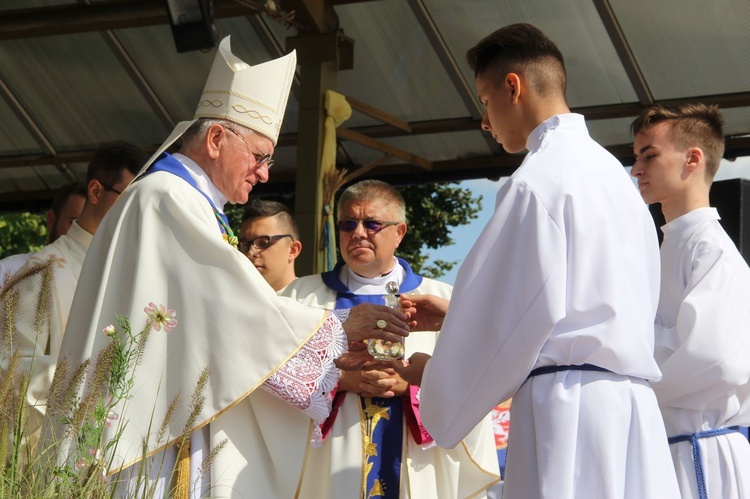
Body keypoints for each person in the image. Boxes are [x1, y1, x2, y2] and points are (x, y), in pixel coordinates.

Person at [44, 37, 405, 498]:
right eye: (259, 155)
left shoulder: (184, 201)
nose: (265, 173)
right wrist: (338, 328)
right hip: (150, 438)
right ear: (216, 139)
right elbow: (232, 309)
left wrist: (330, 351)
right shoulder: (167, 197)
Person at [392, 23, 680, 498]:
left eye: (485, 102)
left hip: (569, 413)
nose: (485, 121)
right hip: (632, 410)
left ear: (513, 87)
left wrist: (435, 374)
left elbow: (506, 317)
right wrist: (453, 318)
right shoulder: (613, 176)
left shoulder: (537, 181)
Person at [282, 179, 500, 498]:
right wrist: (337, 379)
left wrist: (414, 388)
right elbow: (265, 374)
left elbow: (478, 386)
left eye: (371, 224)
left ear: (399, 232)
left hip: (416, 464)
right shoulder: (300, 298)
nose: (358, 233)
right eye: (347, 224)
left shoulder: (443, 300)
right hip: (327, 467)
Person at [631, 103, 750, 498]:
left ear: (693, 158)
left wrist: (626, 374)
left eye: (649, 155)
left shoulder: (712, 249)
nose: (636, 170)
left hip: (701, 451)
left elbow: (717, 360)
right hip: (668, 447)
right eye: (635, 159)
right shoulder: (662, 248)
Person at [10, 141, 144, 439]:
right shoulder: (44, 270)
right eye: (127, 197)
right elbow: (12, 365)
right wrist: (87, 382)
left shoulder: (138, 268)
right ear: (95, 191)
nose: (135, 211)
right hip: (61, 444)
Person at [0, 181, 85, 282]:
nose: (82, 232)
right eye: (74, 222)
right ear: (51, 220)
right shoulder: (9, 272)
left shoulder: (101, 283)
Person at [238, 199, 301, 291]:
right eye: (245, 246)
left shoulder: (313, 303)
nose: (250, 253)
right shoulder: (231, 302)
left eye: (263, 243)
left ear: (292, 250)